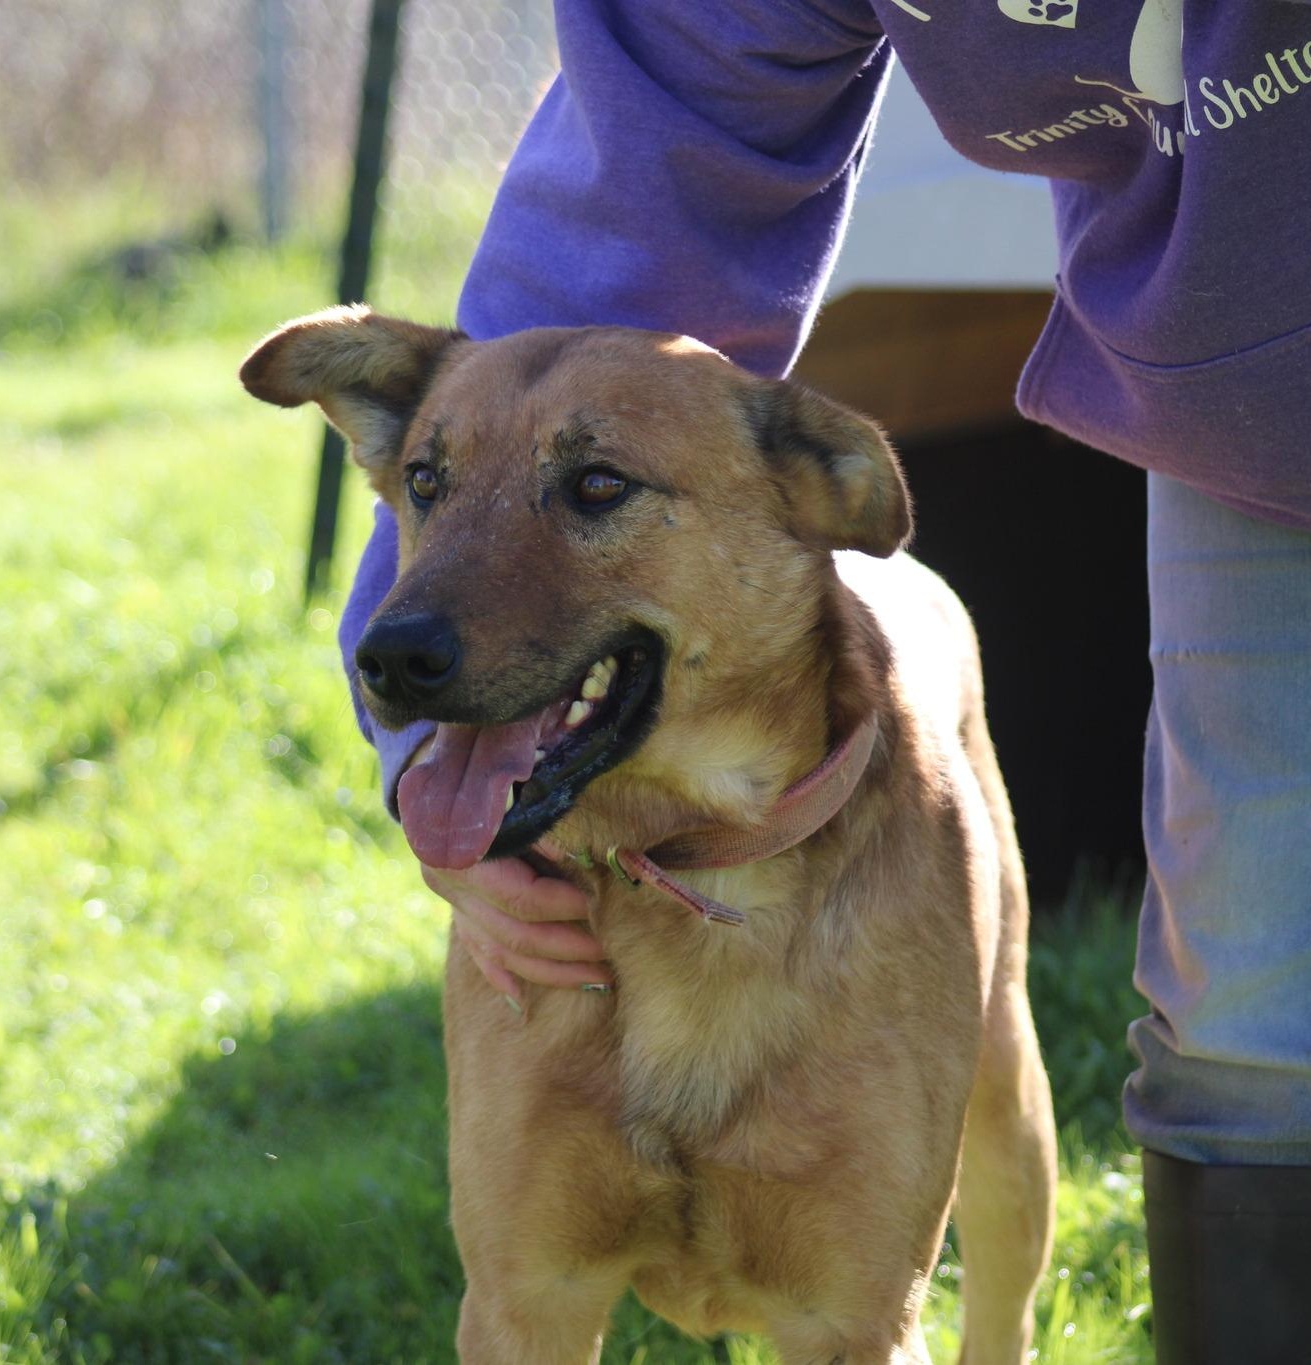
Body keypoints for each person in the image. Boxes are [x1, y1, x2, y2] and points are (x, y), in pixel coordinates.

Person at [339, 4, 1311, 1359]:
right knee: (1251, 1019)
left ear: (824, 499)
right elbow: (647, 178)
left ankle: (1005, 1338)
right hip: (1246, 398)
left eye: (598, 492)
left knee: (1047, 1079)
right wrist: (413, 748)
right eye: (427, 485)